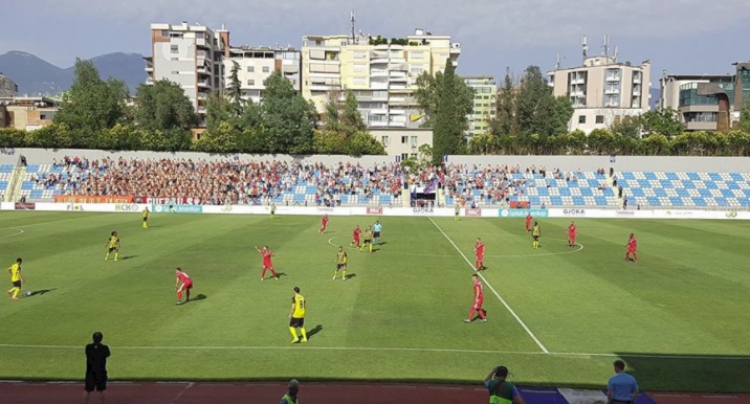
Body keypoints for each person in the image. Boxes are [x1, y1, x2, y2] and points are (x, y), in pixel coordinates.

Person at [84, 331, 111, 404]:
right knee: (102, 389)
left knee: (87, 389)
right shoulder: (104, 348)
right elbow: (108, 354)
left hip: (90, 371)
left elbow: (87, 353)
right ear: (101, 339)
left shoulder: (88, 347)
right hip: (101, 371)